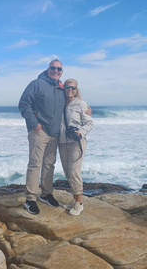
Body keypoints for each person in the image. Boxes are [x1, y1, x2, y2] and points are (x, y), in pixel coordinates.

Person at [18, 59, 65, 214]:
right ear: (48, 69)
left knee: (49, 164)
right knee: (35, 164)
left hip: (55, 133)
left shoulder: (61, 87)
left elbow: (69, 105)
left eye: (59, 69)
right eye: (53, 68)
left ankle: (46, 194)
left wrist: (86, 110)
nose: (56, 71)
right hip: (39, 131)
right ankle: (30, 198)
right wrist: (34, 123)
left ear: (62, 71)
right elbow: (24, 104)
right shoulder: (37, 84)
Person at [59, 79, 93, 216]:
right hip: (62, 142)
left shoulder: (81, 104)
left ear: (76, 89)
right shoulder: (59, 103)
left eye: (72, 87)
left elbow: (89, 123)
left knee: (74, 171)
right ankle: (74, 199)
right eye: (67, 87)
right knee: (68, 172)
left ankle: (79, 203)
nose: (69, 89)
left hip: (76, 143)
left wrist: (80, 132)